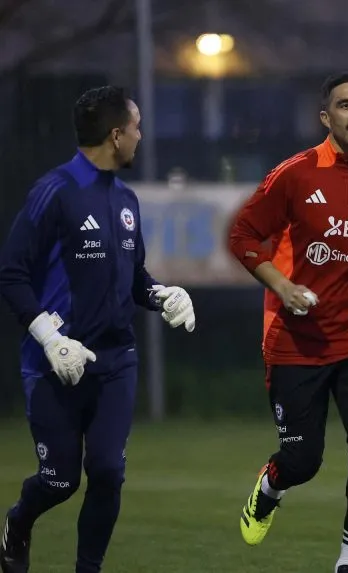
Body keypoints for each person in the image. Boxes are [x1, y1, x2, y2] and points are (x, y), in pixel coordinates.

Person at [227, 72, 348, 573]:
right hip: (297, 339)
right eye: (345, 105)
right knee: (304, 461)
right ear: (326, 118)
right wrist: (282, 286)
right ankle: (272, 484)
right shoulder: (295, 175)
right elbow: (244, 236)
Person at [0, 86, 197, 573]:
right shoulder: (56, 190)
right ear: (116, 135)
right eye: (135, 128)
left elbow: (134, 280)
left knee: (107, 472)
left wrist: (163, 296)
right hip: (54, 364)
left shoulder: (126, 198)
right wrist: (51, 339)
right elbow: (11, 271)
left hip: (116, 362)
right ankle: (17, 522)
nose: (140, 137)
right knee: (59, 481)